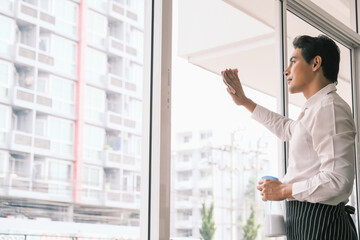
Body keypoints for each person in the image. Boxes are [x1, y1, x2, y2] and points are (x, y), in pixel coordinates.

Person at [221, 35, 357, 239]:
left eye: (293, 61)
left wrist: (283, 190)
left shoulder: (330, 108)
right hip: (308, 222)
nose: (286, 70)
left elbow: (338, 180)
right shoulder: (316, 108)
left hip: (323, 225)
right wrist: (245, 101)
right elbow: (288, 129)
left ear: (316, 63)